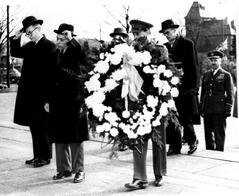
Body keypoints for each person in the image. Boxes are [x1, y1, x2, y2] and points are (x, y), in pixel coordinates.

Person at [124, 19, 167, 190]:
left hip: (155, 100)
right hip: (138, 100)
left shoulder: (159, 49)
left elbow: (164, 75)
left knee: (158, 139)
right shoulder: (131, 51)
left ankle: (160, 174)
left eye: (139, 33)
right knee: (138, 138)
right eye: (134, 34)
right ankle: (139, 177)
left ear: (148, 32)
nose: (136, 37)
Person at [10, 16, 56, 167]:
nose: (28, 36)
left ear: (38, 29)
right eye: (27, 34)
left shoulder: (49, 46)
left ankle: (46, 157)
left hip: (42, 95)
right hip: (30, 94)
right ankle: (38, 156)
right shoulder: (31, 46)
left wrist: (49, 98)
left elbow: (51, 75)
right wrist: (16, 38)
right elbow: (16, 52)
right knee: (34, 126)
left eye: (29, 32)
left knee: (43, 127)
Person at [50, 23, 90, 183]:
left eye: (61, 39)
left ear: (68, 39)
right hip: (58, 101)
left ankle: (79, 170)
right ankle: (63, 169)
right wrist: (48, 99)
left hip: (75, 100)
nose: (58, 41)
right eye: (57, 38)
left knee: (76, 136)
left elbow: (81, 53)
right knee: (59, 136)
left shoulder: (76, 50)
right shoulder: (56, 53)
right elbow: (50, 78)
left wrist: (71, 38)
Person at [159, 19, 200, 155]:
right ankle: (174, 146)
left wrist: (194, 87)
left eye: (168, 32)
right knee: (171, 117)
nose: (167, 35)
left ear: (175, 30)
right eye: (164, 34)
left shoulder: (187, 44)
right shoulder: (164, 47)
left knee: (186, 116)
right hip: (169, 87)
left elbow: (194, 67)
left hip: (185, 86)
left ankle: (192, 140)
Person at [200, 50, 234, 151]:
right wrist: (201, 106)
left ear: (220, 61)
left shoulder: (226, 75)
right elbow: (203, 93)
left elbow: (230, 93)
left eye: (215, 60)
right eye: (211, 60)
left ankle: (219, 152)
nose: (213, 62)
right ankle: (210, 152)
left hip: (219, 109)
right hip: (207, 109)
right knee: (208, 135)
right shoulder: (206, 75)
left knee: (219, 134)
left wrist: (228, 108)